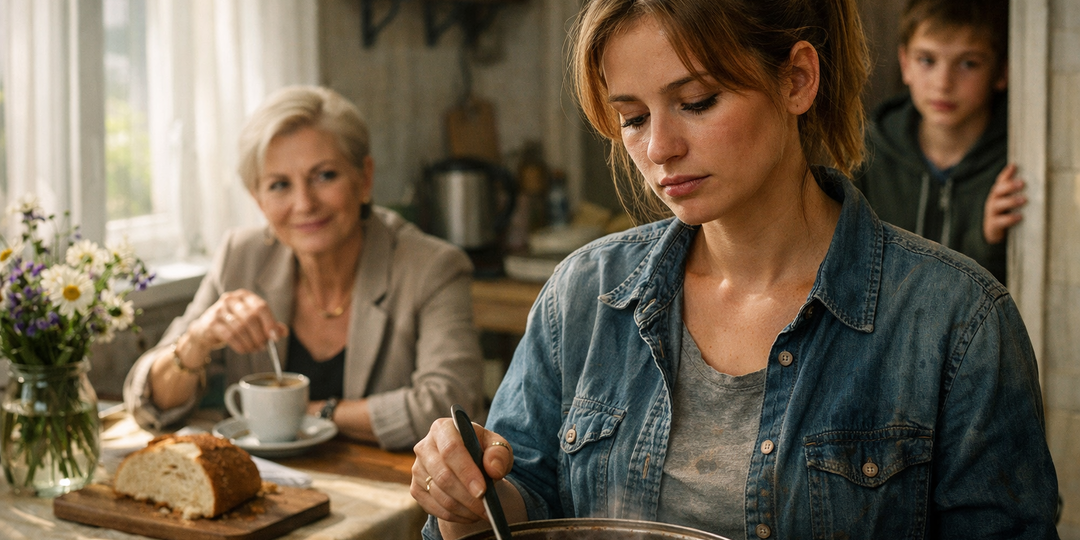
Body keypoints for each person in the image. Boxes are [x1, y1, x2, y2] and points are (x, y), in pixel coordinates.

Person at [411, 0, 1059, 539]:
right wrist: (467, 496)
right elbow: (525, 497)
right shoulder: (583, 295)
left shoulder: (957, 322)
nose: (658, 148)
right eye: (632, 117)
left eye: (696, 101)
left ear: (797, 79)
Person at [123, 86, 485, 451]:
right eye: (279, 185)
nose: (304, 203)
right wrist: (197, 340)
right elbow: (147, 402)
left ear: (365, 178)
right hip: (272, 493)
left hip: (399, 493)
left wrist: (311, 412)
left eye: (325, 176)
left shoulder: (432, 267)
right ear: (258, 200)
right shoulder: (241, 256)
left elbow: (451, 407)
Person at [854, 0, 1025, 284]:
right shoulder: (867, 154)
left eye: (968, 63)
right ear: (905, 63)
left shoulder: (1015, 164)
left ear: (1002, 72)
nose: (943, 83)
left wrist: (989, 241)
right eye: (927, 60)